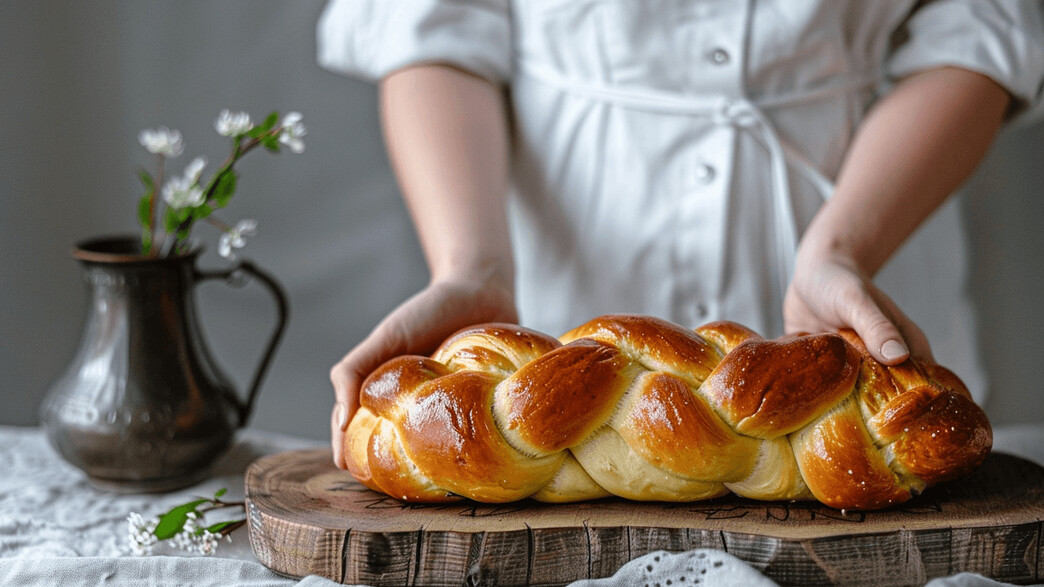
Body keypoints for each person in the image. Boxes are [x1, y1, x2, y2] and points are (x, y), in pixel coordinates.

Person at [317, 0, 1044, 468]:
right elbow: (435, 23)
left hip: (862, 252)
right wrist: (469, 268)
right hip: (550, 313)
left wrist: (844, 246)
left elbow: (976, 24)